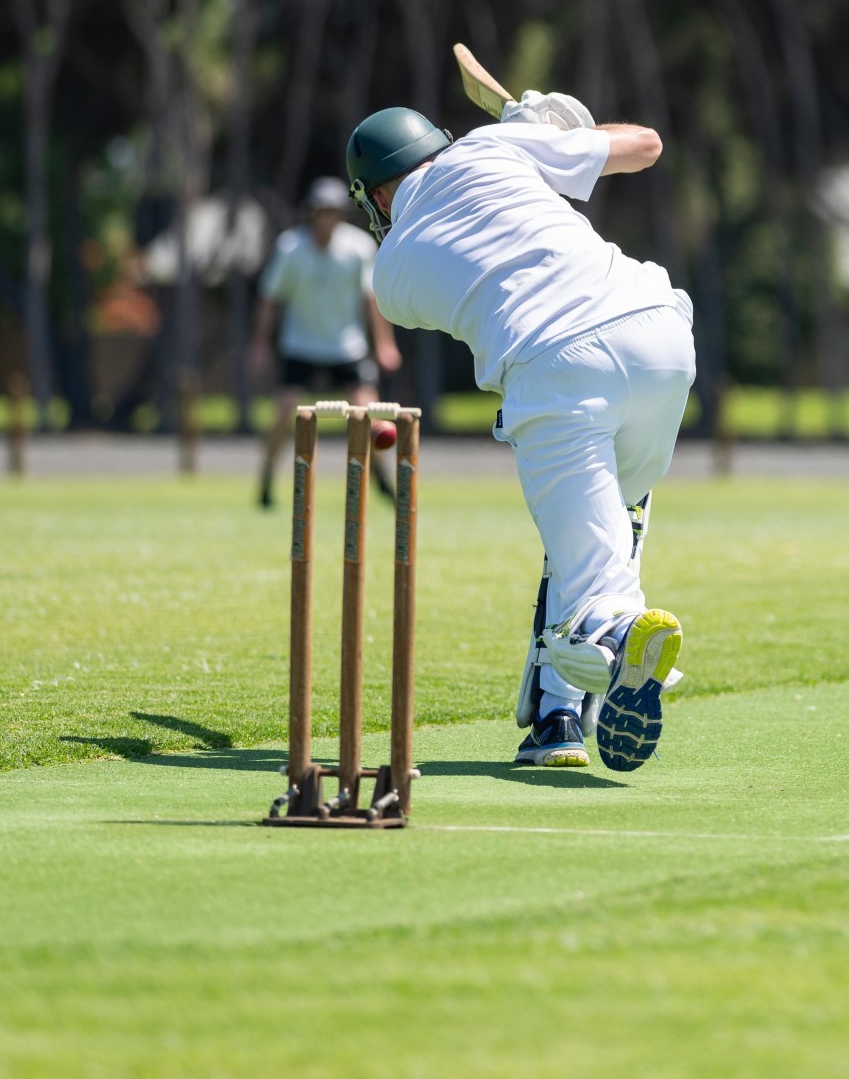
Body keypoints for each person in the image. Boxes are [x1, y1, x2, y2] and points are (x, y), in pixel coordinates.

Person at [348, 91, 689, 774]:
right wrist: (548, 131)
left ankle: (620, 631)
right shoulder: (491, 147)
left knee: (597, 587)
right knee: (599, 537)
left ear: (376, 198)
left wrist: (529, 140)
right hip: (662, 334)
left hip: (558, 371)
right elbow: (646, 144)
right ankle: (556, 720)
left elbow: (481, 254)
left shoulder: (391, 278)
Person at [256, 176, 401, 490]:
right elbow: (270, 298)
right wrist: (261, 343)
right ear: (312, 213)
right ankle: (266, 478)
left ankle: (381, 477)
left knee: (369, 414)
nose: (328, 219)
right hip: (300, 344)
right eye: (323, 212)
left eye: (334, 212)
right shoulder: (290, 248)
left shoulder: (358, 247)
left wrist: (385, 343)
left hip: (347, 346)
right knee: (284, 413)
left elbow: (371, 300)